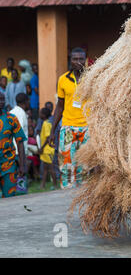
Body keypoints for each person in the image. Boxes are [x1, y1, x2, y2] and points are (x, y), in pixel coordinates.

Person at [49, 47, 89, 189]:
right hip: (67, 127)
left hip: (87, 128)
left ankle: (83, 196)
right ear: (70, 61)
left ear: (85, 61)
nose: (78, 62)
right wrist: (52, 131)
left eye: (81, 59)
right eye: (75, 59)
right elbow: (60, 106)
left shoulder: (92, 78)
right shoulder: (63, 80)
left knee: (85, 165)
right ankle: (66, 194)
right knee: (66, 164)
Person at [0, 93, 27, 198]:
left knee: (10, 197)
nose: (1, 102)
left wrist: (22, 165)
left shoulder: (11, 118)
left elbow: (20, 142)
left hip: (8, 164)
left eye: (2, 100)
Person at [39, 107, 57, 190]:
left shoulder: (46, 124)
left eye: (41, 113)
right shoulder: (46, 122)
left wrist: (41, 148)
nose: (39, 114)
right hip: (46, 150)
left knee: (51, 168)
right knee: (46, 168)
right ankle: (42, 185)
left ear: (44, 115)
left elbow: (47, 138)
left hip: (48, 150)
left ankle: (55, 185)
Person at [10, 93, 30, 157]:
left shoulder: (11, 112)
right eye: (28, 101)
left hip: (11, 150)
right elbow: (19, 135)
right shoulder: (21, 114)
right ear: (25, 102)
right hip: (18, 152)